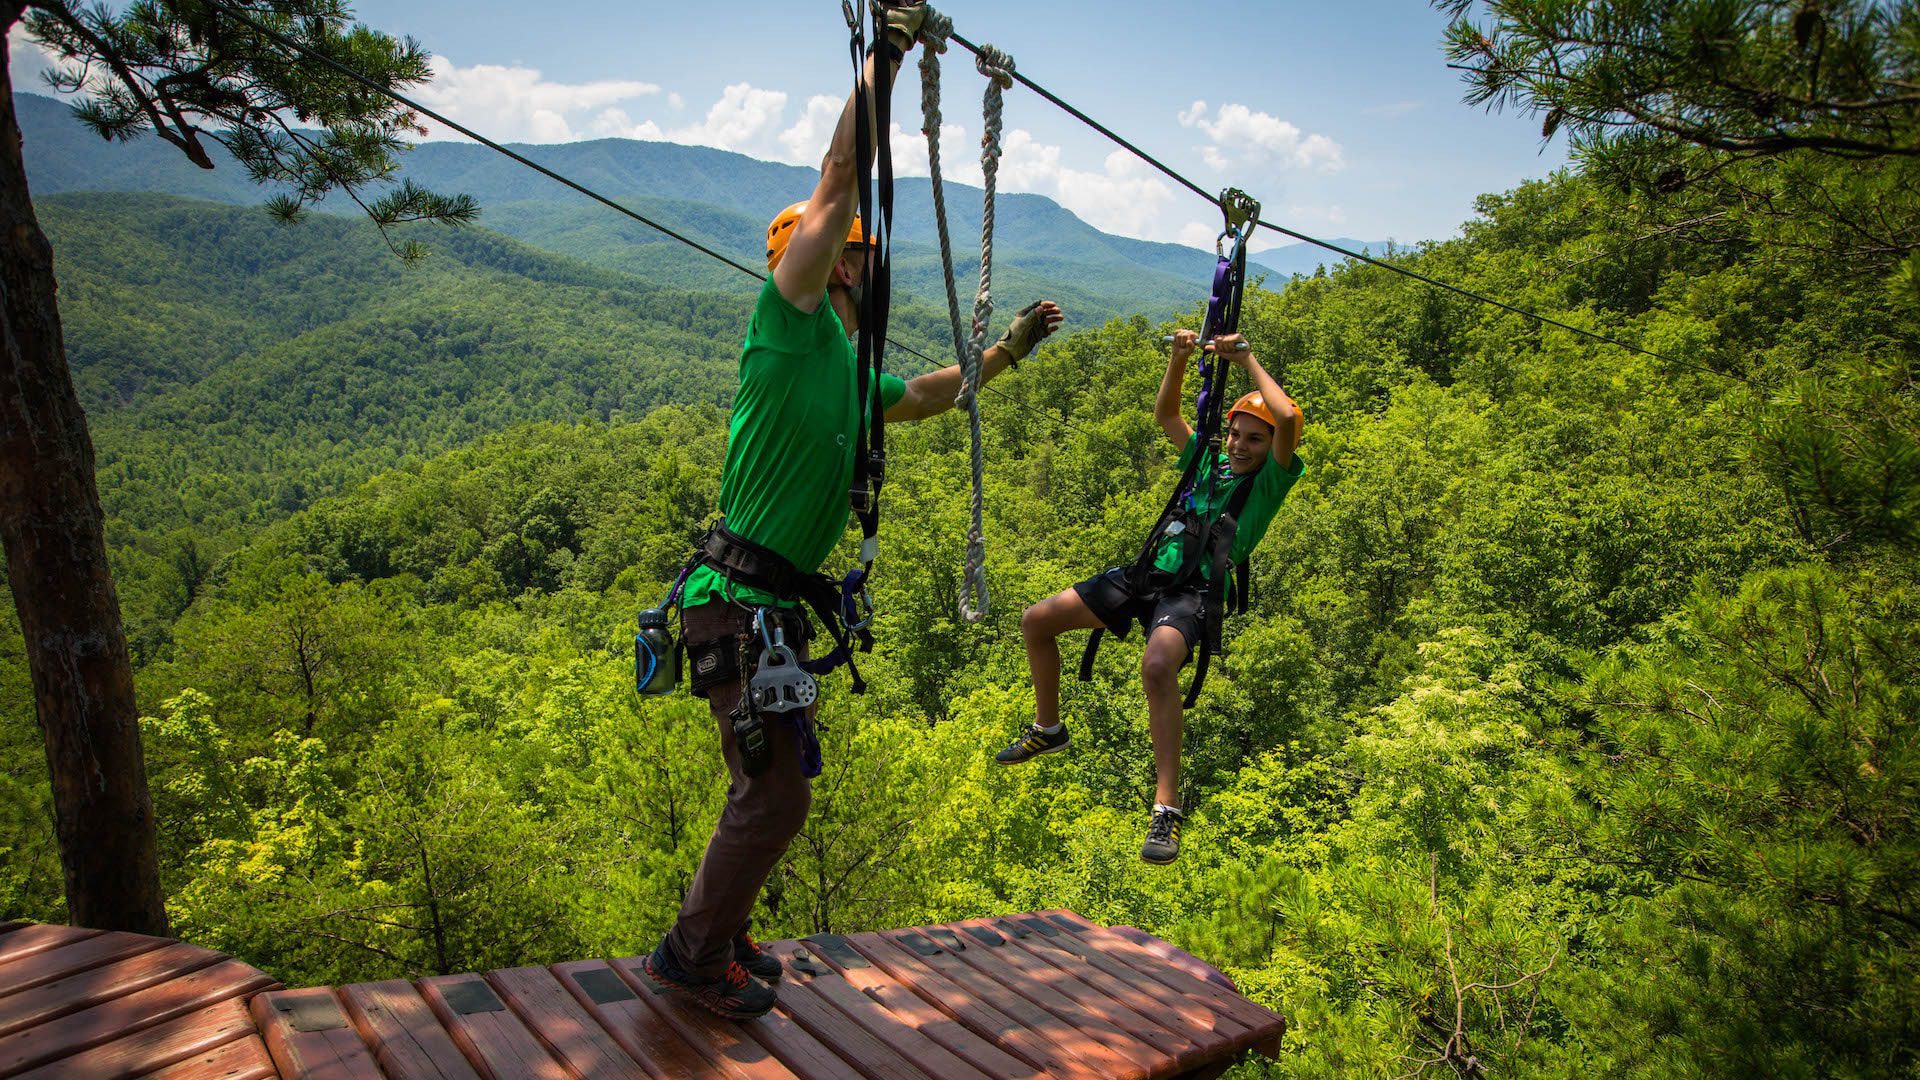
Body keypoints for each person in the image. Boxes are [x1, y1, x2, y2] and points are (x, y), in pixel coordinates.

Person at [644, 3, 1064, 1021]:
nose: (872, 263)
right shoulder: (786, 325)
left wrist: (1007, 351)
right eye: (860, 253)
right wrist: (882, 56)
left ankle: (723, 928)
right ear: (831, 260)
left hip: (762, 611)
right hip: (735, 603)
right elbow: (838, 183)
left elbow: (926, 397)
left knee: (774, 788)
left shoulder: (848, 360)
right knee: (775, 794)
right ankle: (695, 954)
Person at [994, 327, 1303, 864]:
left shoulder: (1271, 481)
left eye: (1255, 439)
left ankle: (1166, 810)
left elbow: (1291, 420)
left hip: (1197, 591)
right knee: (1037, 620)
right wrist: (1179, 358)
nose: (1241, 445)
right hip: (1148, 574)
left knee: (1158, 666)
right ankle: (1049, 727)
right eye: (1236, 434)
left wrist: (1247, 358)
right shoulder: (1207, 462)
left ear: (1269, 446)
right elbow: (1167, 415)